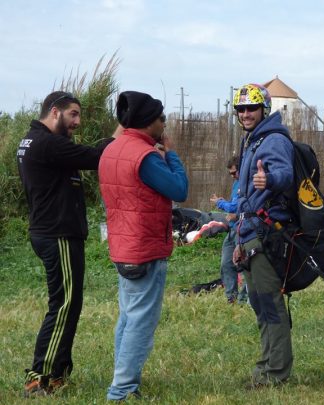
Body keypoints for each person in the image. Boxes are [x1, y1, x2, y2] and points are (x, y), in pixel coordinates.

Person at [17, 91, 122, 397]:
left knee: (70, 304)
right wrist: (122, 129)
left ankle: (59, 372)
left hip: (51, 230)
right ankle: (40, 377)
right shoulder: (48, 143)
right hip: (57, 233)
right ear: (54, 111)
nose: (77, 121)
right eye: (73, 114)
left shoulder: (35, 140)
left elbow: (84, 155)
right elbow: (95, 157)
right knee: (63, 305)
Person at [98, 91, 188, 401]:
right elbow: (180, 189)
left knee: (127, 317)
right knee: (140, 322)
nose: (164, 123)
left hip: (123, 245)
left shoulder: (112, 150)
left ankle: (126, 382)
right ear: (149, 121)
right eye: (162, 118)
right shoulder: (145, 156)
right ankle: (121, 390)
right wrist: (171, 156)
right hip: (145, 248)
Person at [231, 84, 295, 388]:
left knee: (270, 304)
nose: (245, 113)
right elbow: (245, 199)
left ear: (263, 110)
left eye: (251, 108)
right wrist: (239, 238)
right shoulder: (252, 141)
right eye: (240, 109)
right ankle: (268, 365)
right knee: (259, 304)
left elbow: (286, 174)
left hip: (267, 234)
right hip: (251, 232)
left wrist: (269, 177)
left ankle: (275, 372)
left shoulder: (274, 140)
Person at [210, 155, 247, 304]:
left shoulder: (247, 183)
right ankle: (231, 298)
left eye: (234, 173)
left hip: (244, 230)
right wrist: (232, 215)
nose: (232, 177)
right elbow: (234, 207)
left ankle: (244, 299)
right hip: (233, 230)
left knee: (244, 265)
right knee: (226, 263)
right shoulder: (236, 184)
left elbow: (237, 206)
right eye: (230, 174)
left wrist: (219, 202)